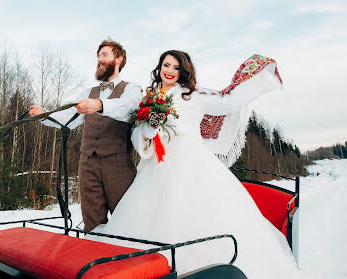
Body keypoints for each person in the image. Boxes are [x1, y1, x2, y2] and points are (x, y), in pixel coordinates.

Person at [87, 50, 300, 278]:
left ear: (183, 71)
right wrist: (150, 129)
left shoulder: (193, 96)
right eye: (166, 65)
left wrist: (258, 81)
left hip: (192, 162)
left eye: (176, 67)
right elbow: (138, 136)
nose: (170, 71)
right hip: (155, 167)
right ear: (159, 68)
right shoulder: (147, 98)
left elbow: (229, 103)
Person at [29, 40, 142, 231]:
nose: (99, 60)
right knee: (92, 219)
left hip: (118, 162)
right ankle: (95, 256)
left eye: (104, 55)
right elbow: (69, 118)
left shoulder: (131, 89)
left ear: (119, 59)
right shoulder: (87, 92)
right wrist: (44, 115)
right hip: (87, 161)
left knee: (126, 218)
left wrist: (100, 105)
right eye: (98, 56)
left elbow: (129, 107)